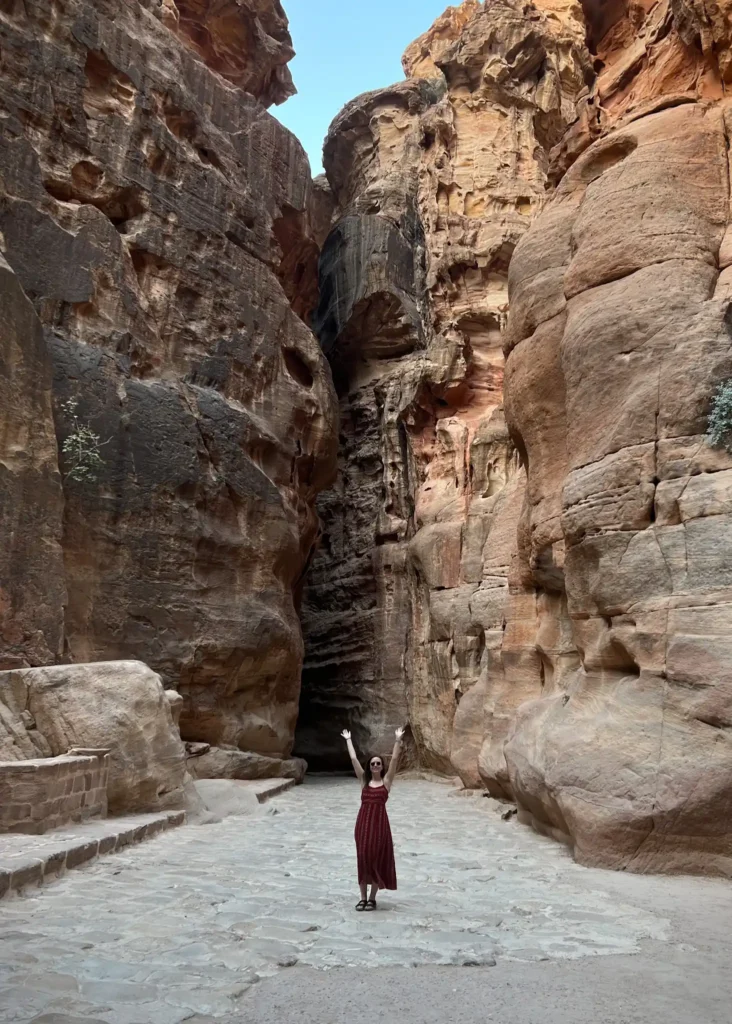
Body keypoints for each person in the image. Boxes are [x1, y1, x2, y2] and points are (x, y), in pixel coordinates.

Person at [341, 725, 405, 911]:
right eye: (373, 764)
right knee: (363, 858)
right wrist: (348, 740)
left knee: (376, 858)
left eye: (378, 763)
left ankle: (372, 898)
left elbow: (394, 759)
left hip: (380, 826)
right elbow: (353, 759)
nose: (376, 765)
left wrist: (397, 740)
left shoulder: (386, 782)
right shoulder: (364, 781)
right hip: (363, 824)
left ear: (381, 767)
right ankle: (362, 897)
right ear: (369, 767)